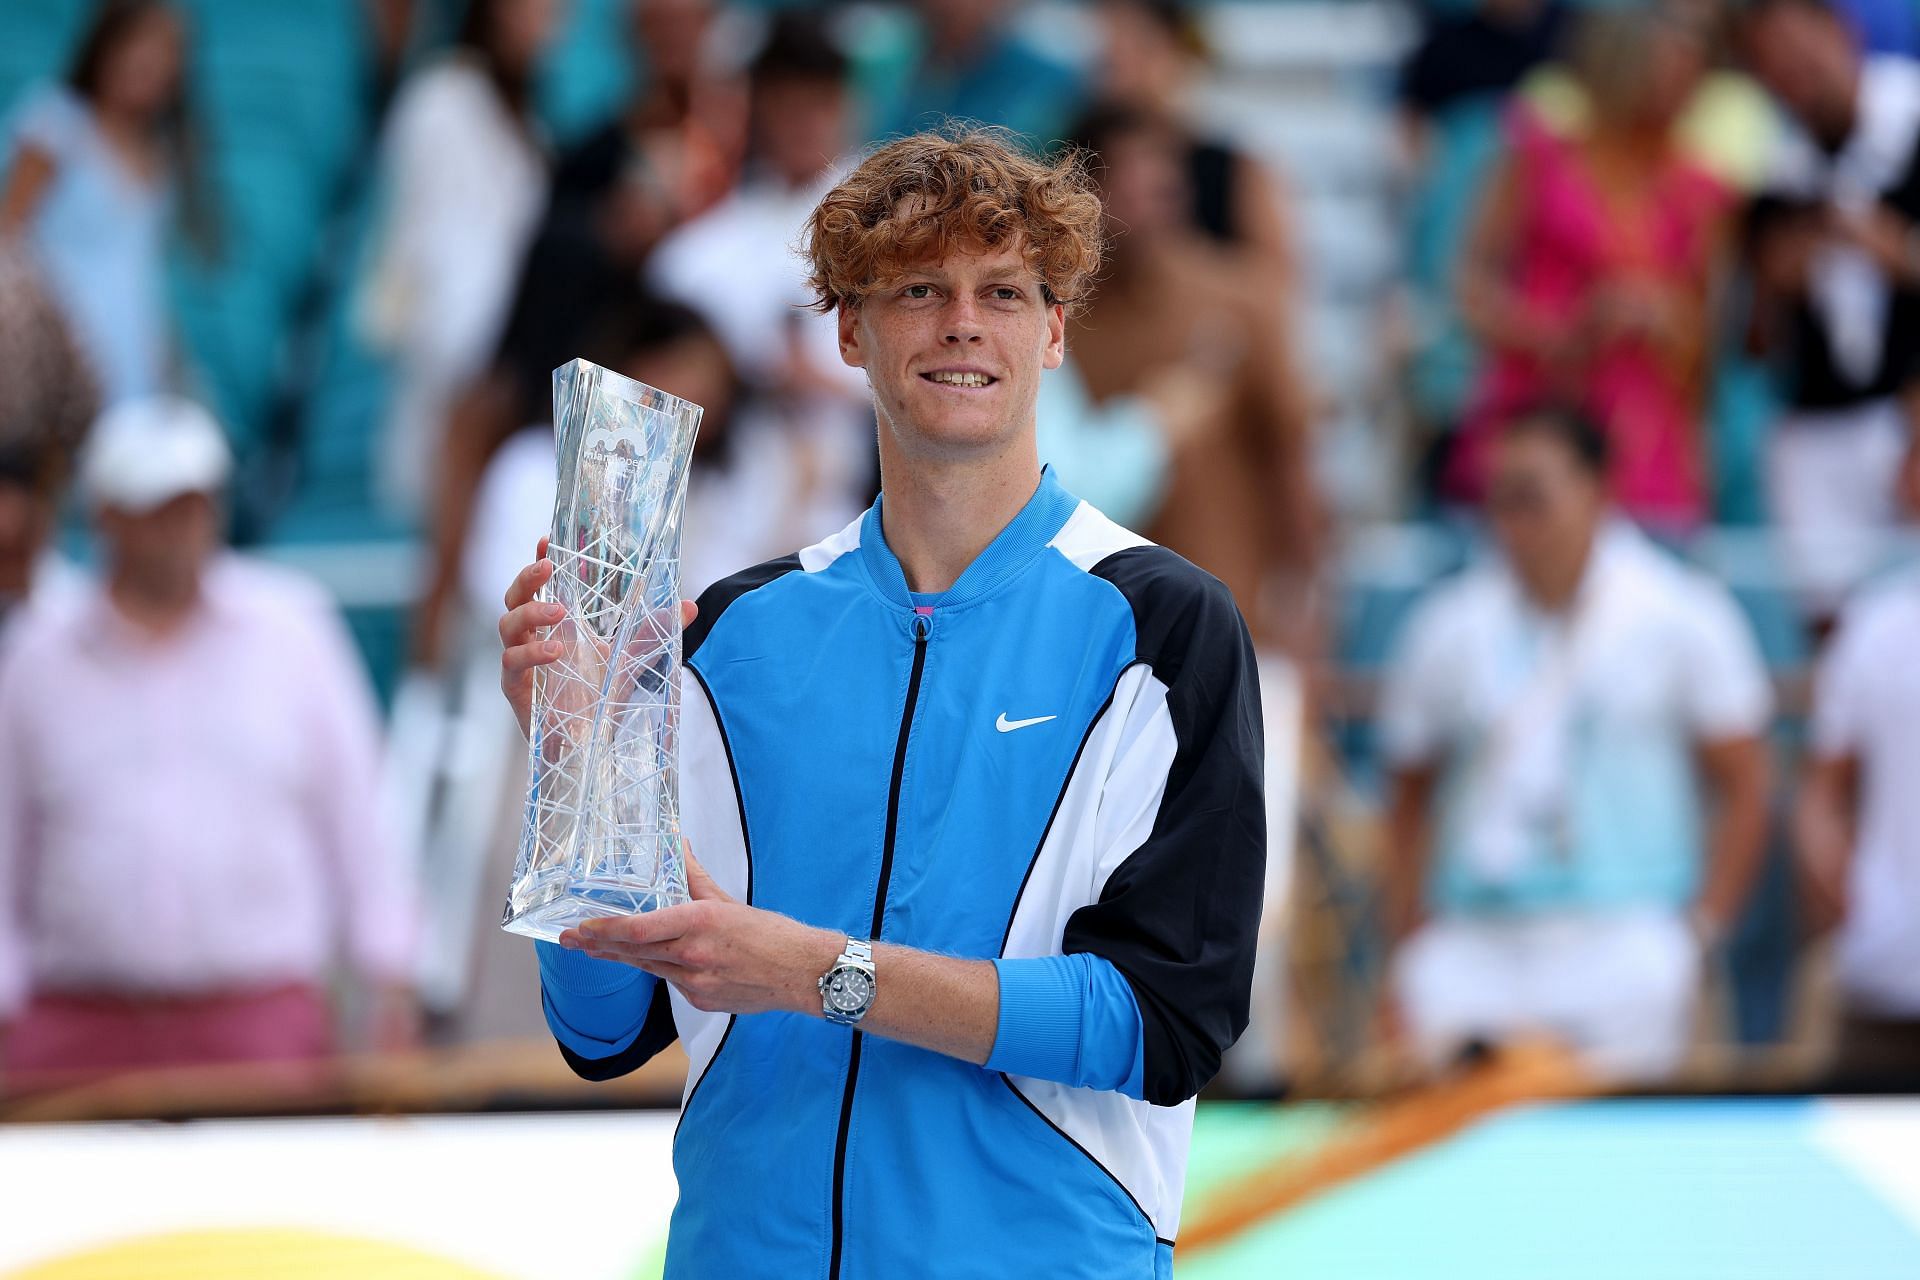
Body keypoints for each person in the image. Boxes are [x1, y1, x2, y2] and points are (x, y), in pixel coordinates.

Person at [498, 128, 1265, 1277]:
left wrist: (818, 973)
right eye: (919, 288)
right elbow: (602, 1029)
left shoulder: (1160, 626)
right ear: (850, 328)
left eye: (1003, 291)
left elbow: (1162, 1021)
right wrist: (576, 764)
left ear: (1054, 330)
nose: (963, 321)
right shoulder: (731, 631)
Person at [0, 397, 419, 1093]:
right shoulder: (38, 658)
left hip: (258, 1022)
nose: (179, 527)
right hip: (74, 1028)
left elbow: (360, 821)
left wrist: (391, 981)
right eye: (156, 505)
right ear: (107, 515)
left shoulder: (293, 630)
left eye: (192, 503)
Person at [1379, 408, 1772, 1082]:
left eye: (1532, 496)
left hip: (1623, 934)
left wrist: (1699, 932)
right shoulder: (1448, 627)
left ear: (1598, 490)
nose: (1512, 521)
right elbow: (1408, 790)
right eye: (1498, 498)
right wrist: (1412, 932)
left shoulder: (1679, 615)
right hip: (1478, 937)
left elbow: (1747, 782)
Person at [1449, 4, 1733, 532]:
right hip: (1537, 415)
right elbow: (1471, 289)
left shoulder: (1699, 189)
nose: (1681, 93)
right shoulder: (1536, 157)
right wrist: (1558, 331)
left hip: (1649, 443)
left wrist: (1661, 316)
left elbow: (1709, 344)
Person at [1062, 102, 1319, 653]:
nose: (1161, 184)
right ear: (1087, 193)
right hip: (1107, 626)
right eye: (1133, 170)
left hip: (1231, 613)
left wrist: (1304, 603)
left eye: (1165, 166)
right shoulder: (1056, 316)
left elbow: (1290, 453)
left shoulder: (1239, 295)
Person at [1739, 0, 1920, 620]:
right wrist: (1777, 276)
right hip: (1819, 427)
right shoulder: (1776, 171)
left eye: (1800, 50)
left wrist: (1896, 250)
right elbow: (1756, 339)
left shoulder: (1910, 120)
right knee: (1831, 616)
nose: (1794, 73)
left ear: (1841, 34)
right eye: (1774, 64)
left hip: (1909, 410)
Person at [357, 0, 561, 520]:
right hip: (461, 367)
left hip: (508, 367)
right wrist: (477, 372)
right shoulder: (442, 101)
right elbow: (435, 249)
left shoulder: (530, 116)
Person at [0, 0, 206, 407]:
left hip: (131, 361)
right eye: (138, 47)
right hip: (55, 359)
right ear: (105, 48)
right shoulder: (54, 125)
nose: (148, 65)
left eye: (164, 53)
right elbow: (7, 239)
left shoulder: (162, 156)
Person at [1796, 417, 1920, 1088]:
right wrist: (1845, 892)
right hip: (1888, 977)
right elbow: (1823, 788)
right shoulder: (1873, 629)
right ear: (1906, 479)